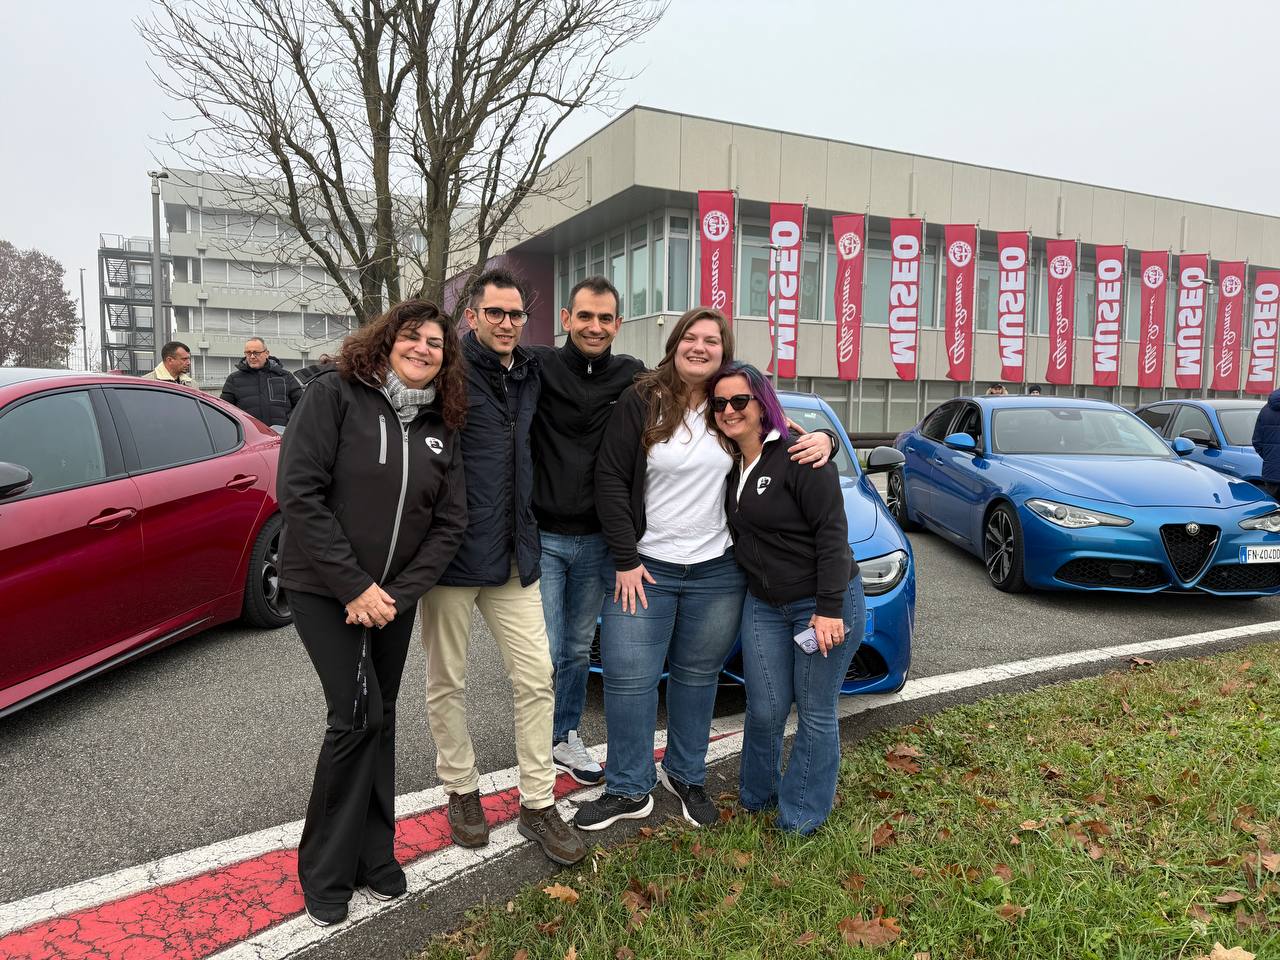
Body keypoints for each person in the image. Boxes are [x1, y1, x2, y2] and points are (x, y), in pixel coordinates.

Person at [575, 307, 833, 832]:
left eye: (711, 340)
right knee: (629, 679)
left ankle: (686, 775)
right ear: (674, 344)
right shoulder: (642, 400)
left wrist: (825, 436)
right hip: (645, 567)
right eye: (690, 337)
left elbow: (780, 437)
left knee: (697, 677)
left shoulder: (729, 405)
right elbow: (610, 478)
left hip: (717, 571)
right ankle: (628, 787)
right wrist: (625, 557)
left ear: (724, 351)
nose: (699, 347)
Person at [277, 299, 468, 927]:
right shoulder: (334, 395)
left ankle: (373, 856)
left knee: (379, 718)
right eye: (412, 337)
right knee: (356, 715)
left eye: (436, 343)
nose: (423, 349)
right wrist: (354, 586)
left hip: (391, 600)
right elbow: (299, 493)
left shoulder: (441, 424)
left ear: (446, 358)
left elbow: (449, 523)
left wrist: (397, 594)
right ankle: (325, 871)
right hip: (324, 589)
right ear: (386, 341)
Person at [419, 268, 587, 867]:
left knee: (537, 677)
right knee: (447, 681)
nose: (508, 323)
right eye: (496, 312)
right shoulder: (445, 370)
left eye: (516, 314)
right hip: (450, 559)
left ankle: (537, 803)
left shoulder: (531, 371)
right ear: (472, 316)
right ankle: (461, 789)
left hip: (515, 554)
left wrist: (777, 422)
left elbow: (608, 370)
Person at [709, 362, 864, 835]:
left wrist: (829, 609)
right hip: (764, 604)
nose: (729, 410)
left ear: (762, 404)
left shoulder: (799, 454)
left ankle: (800, 816)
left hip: (818, 604)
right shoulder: (730, 460)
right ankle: (757, 796)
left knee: (814, 710)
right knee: (765, 707)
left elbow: (832, 534)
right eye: (719, 403)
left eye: (740, 401)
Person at [529, 276, 643, 785]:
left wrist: (799, 430)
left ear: (618, 324)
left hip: (599, 540)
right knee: (545, 651)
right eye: (585, 316)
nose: (594, 327)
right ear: (566, 319)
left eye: (604, 318)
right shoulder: (538, 365)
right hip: (545, 537)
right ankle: (534, 741)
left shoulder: (632, 375)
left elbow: (703, 391)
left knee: (577, 649)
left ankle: (563, 736)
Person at [220, 337, 302, 427]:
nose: (252, 356)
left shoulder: (285, 377)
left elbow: (302, 404)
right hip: (250, 434)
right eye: (248, 353)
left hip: (282, 433)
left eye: (256, 353)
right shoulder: (234, 379)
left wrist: (289, 422)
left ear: (266, 353)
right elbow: (224, 410)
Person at [1252, 388, 1280, 500]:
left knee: (1272, 508)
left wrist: (1271, 458)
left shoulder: (1265, 410)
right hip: (1271, 472)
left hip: (1271, 474)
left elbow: (1257, 441)